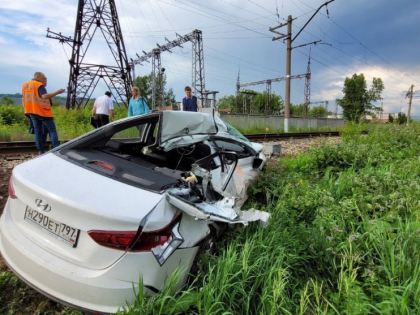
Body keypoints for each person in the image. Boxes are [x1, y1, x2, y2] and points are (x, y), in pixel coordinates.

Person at [22, 72, 65, 154]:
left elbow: (24, 98)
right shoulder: (39, 85)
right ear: (37, 77)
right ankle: (56, 149)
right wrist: (57, 92)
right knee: (52, 130)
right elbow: (44, 96)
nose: (44, 80)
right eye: (43, 78)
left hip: (31, 111)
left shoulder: (25, 85)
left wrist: (25, 110)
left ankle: (40, 150)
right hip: (42, 111)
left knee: (38, 131)